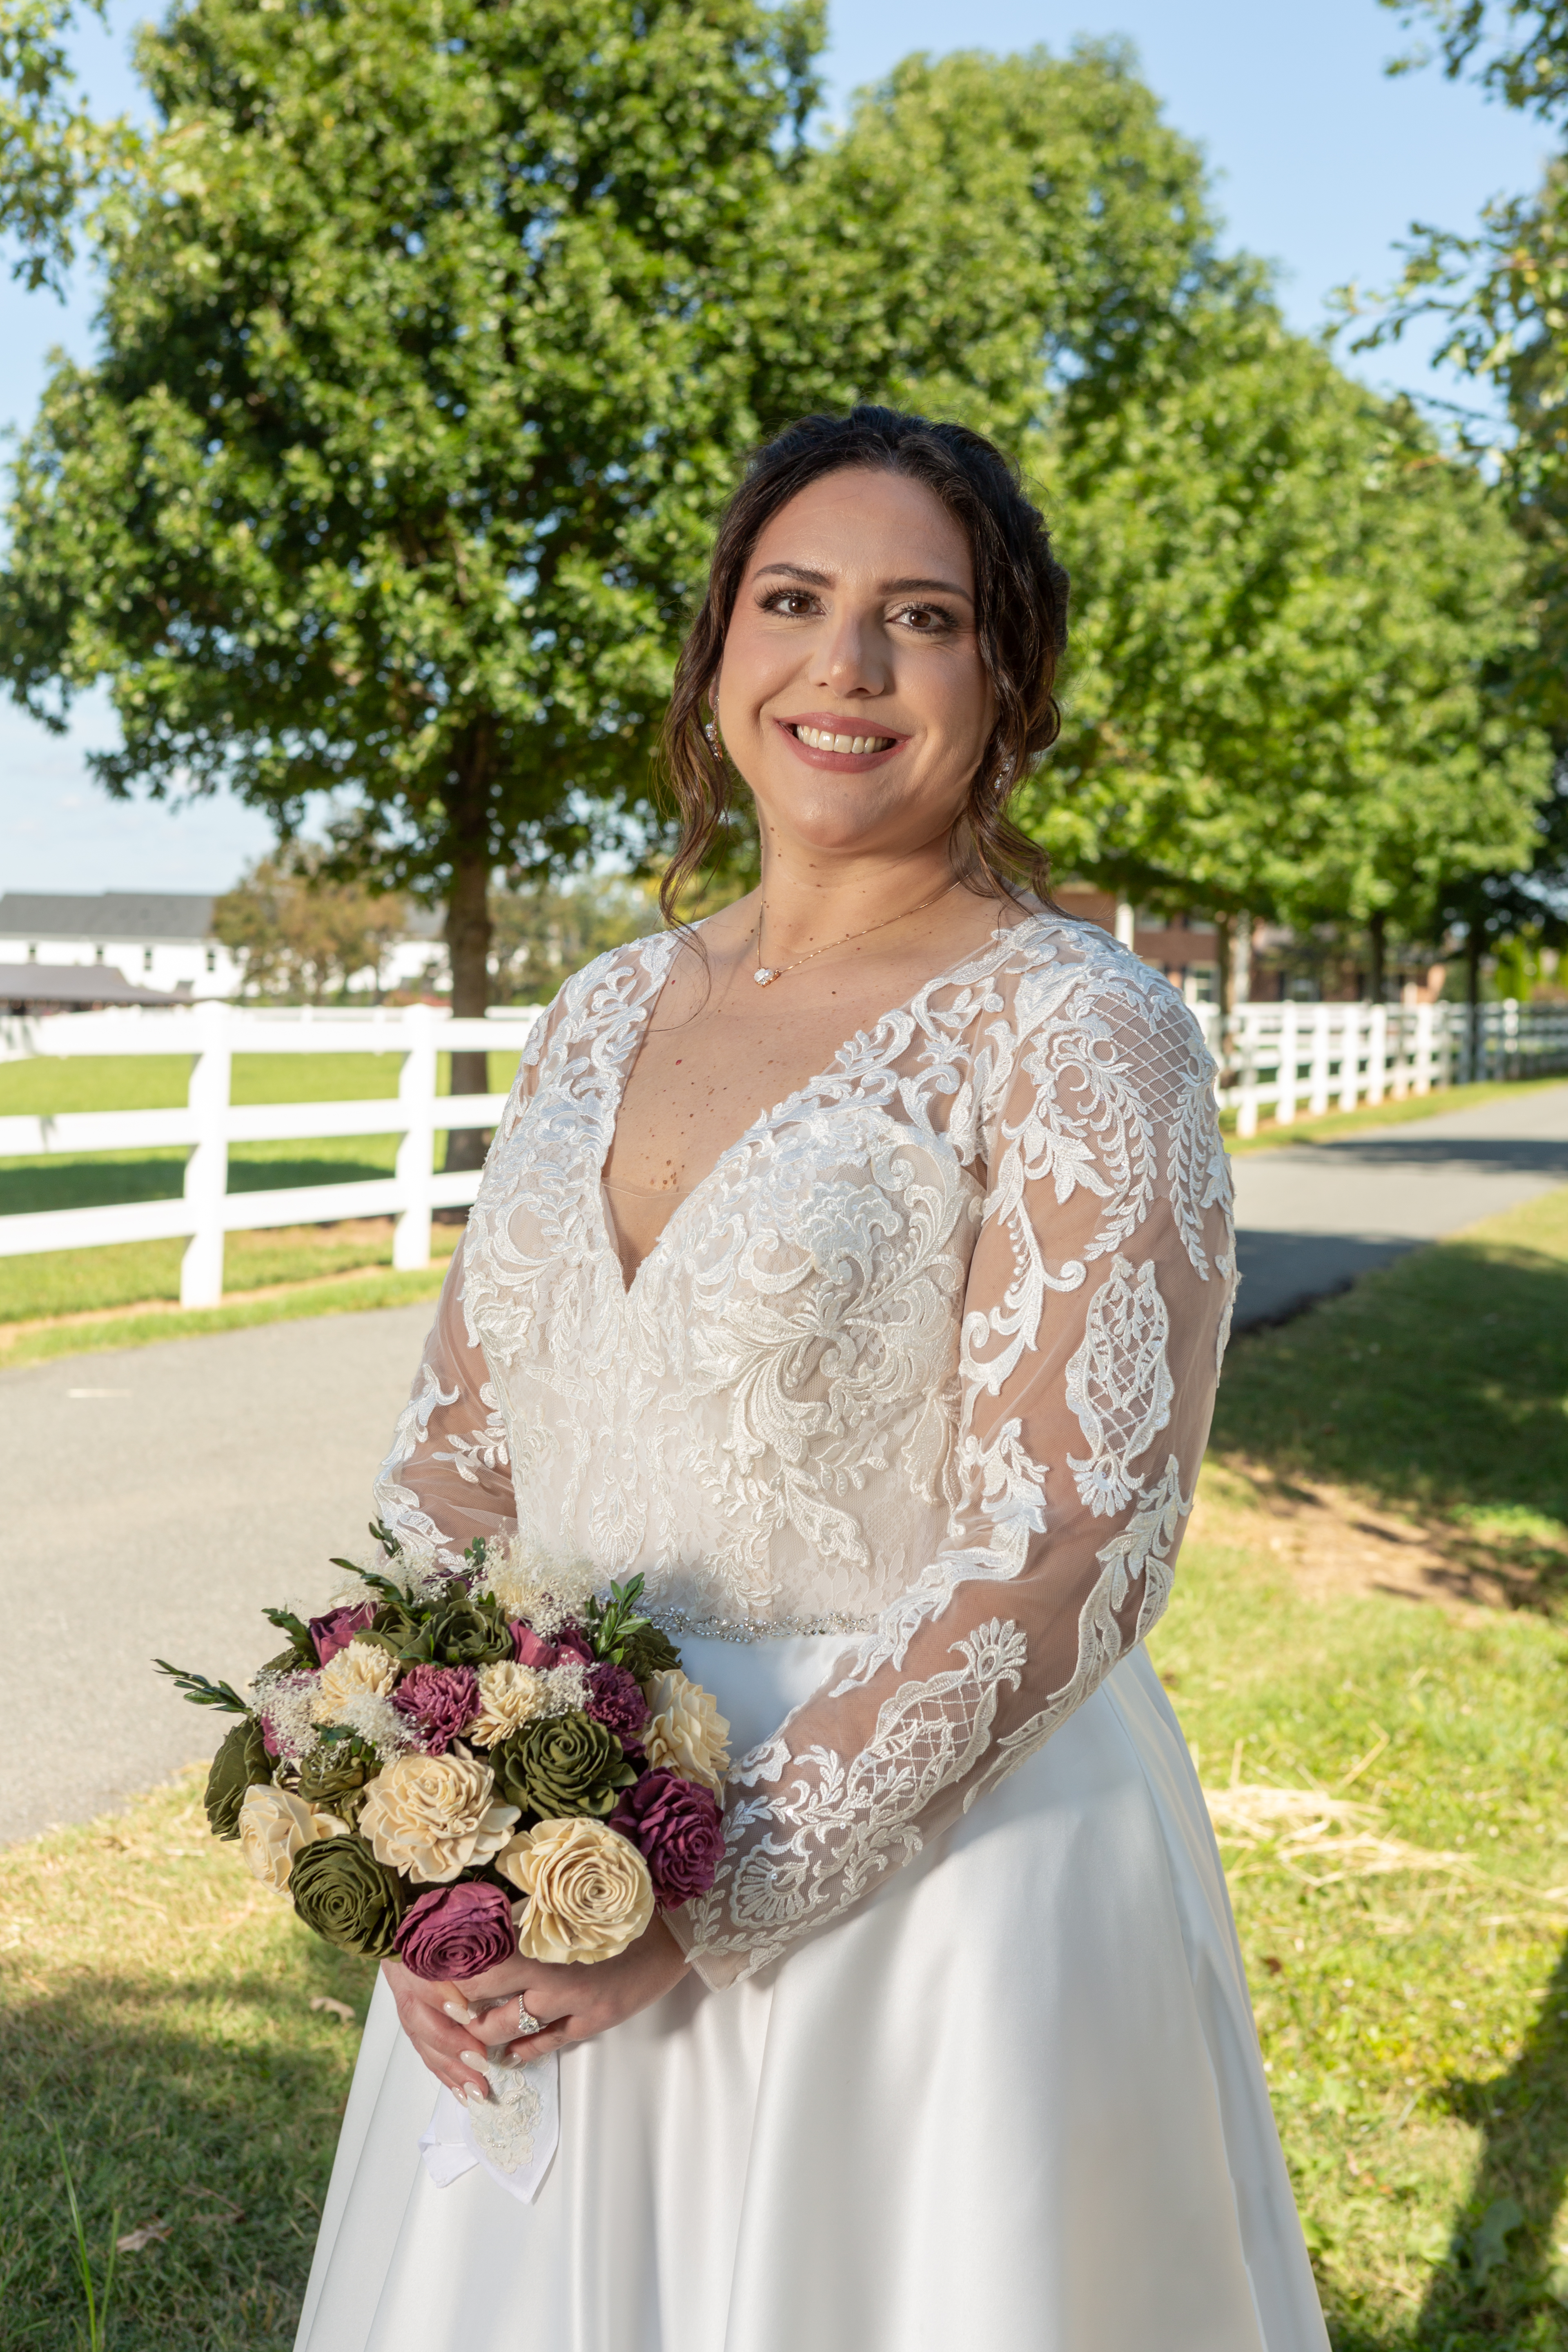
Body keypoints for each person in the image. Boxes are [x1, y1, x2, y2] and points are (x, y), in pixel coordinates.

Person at [295, 405, 1328, 2352]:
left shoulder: (1080, 1028)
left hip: (926, 1898)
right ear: (718, 649)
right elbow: (461, 1461)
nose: (844, 668)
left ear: (1005, 683)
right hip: (542, 1838)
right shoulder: (601, 1010)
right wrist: (415, 1818)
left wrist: (701, 1894)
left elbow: (1075, 1534)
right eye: (793, 601)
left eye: (920, 618)